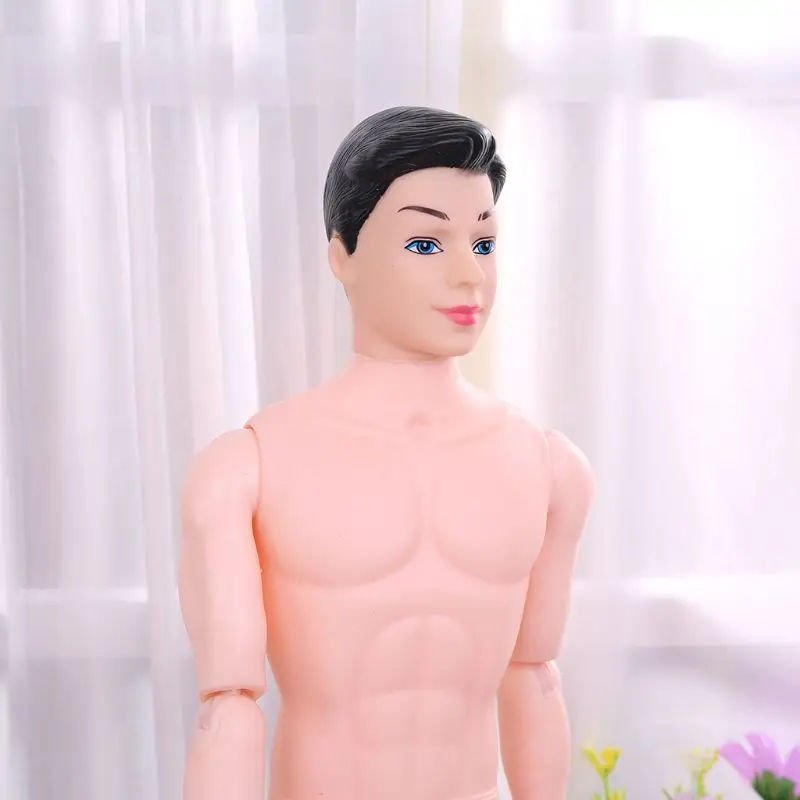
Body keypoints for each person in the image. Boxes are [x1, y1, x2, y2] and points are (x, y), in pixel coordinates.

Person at [179, 105, 595, 800]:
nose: (468, 275)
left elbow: (535, 679)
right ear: (341, 253)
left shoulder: (551, 468)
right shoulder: (246, 469)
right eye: (426, 243)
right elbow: (227, 712)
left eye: (484, 242)